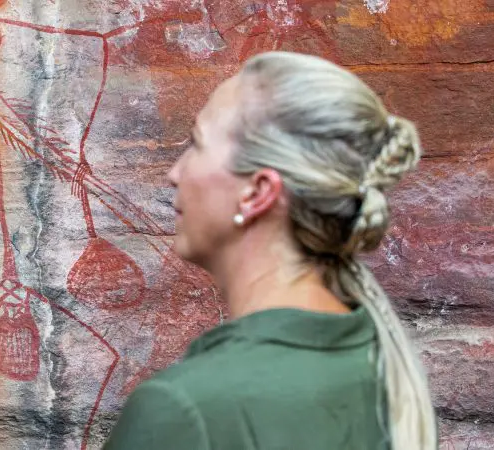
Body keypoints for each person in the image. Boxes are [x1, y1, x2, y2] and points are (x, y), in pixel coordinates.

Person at [103, 51, 437, 449]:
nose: (174, 173)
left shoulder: (183, 411)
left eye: (196, 143)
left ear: (257, 193)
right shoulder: (383, 366)